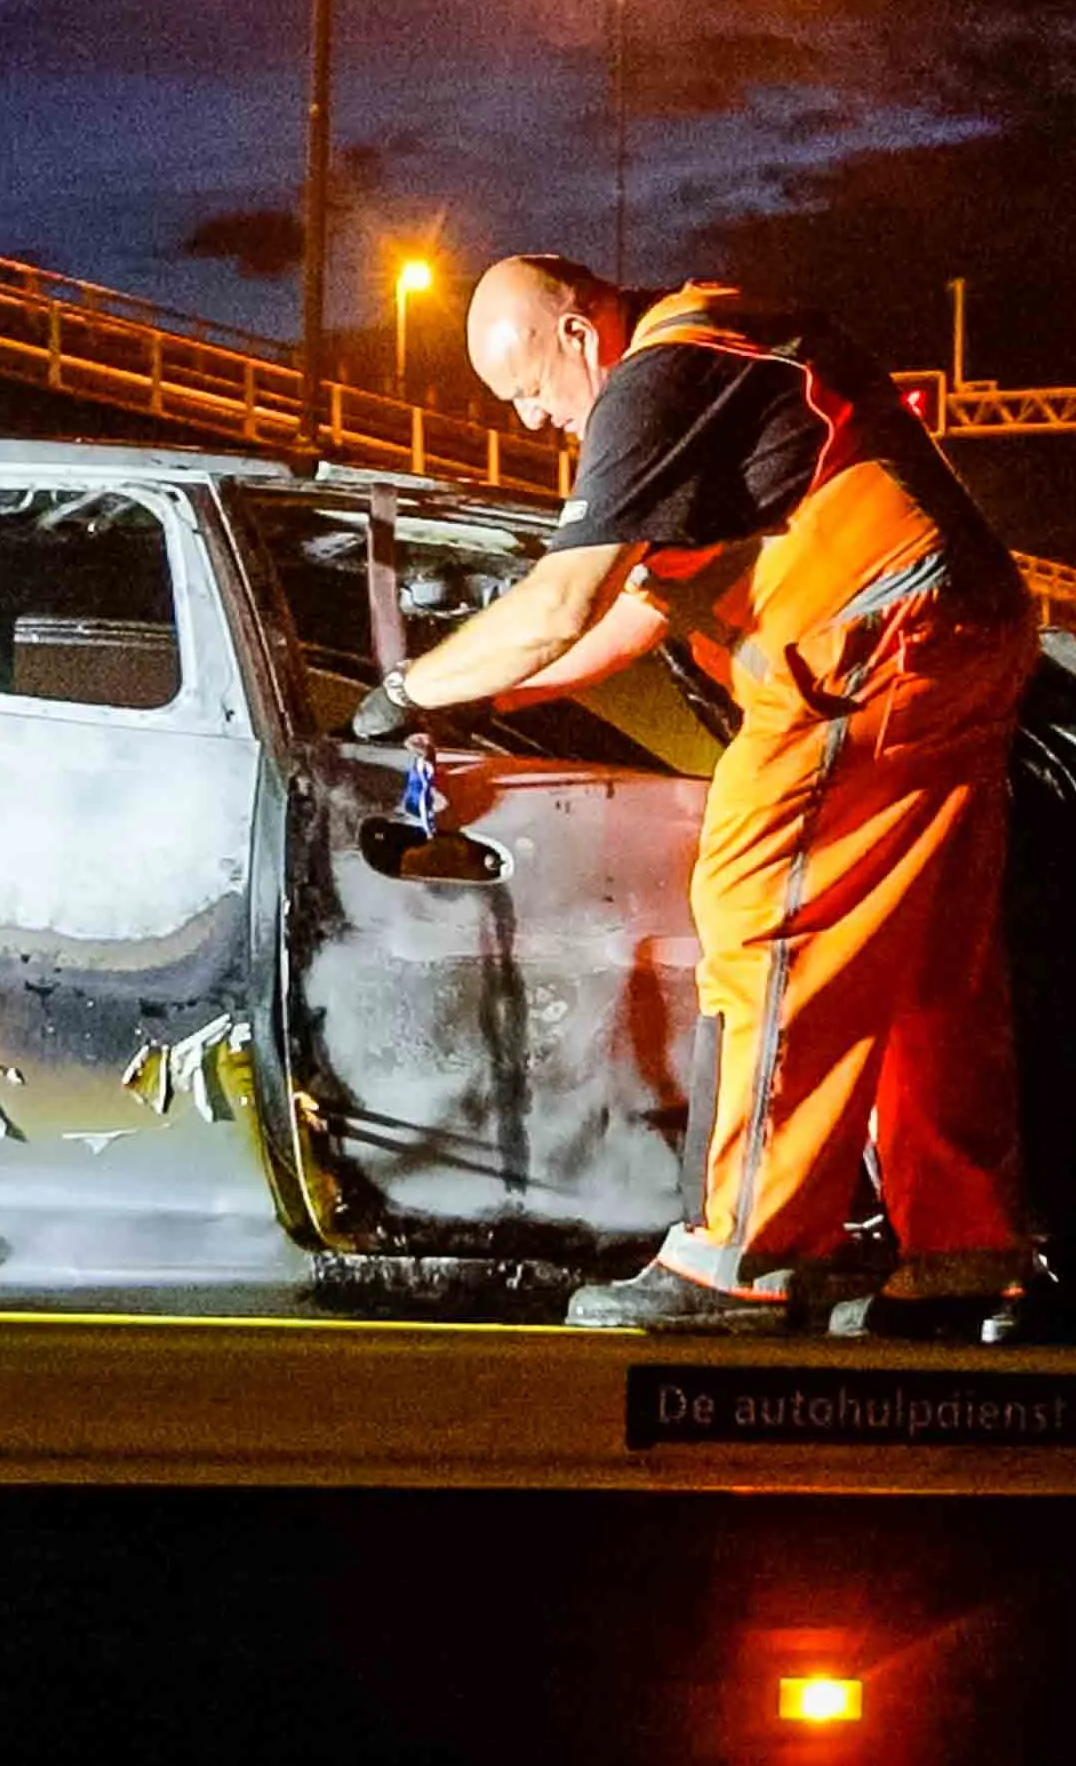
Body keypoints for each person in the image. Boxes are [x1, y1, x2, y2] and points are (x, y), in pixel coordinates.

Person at [348, 256, 1040, 1334]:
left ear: (578, 332)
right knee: (921, 958)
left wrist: (405, 688)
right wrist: (473, 694)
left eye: (528, 386)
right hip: (956, 630)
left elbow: (557, 603)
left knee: (767, 915)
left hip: (865, 646)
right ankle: (965, 1255)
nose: (533, 419)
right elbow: (623, 619)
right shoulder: (714, 364)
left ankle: (741, 1257)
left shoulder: (655, 376)